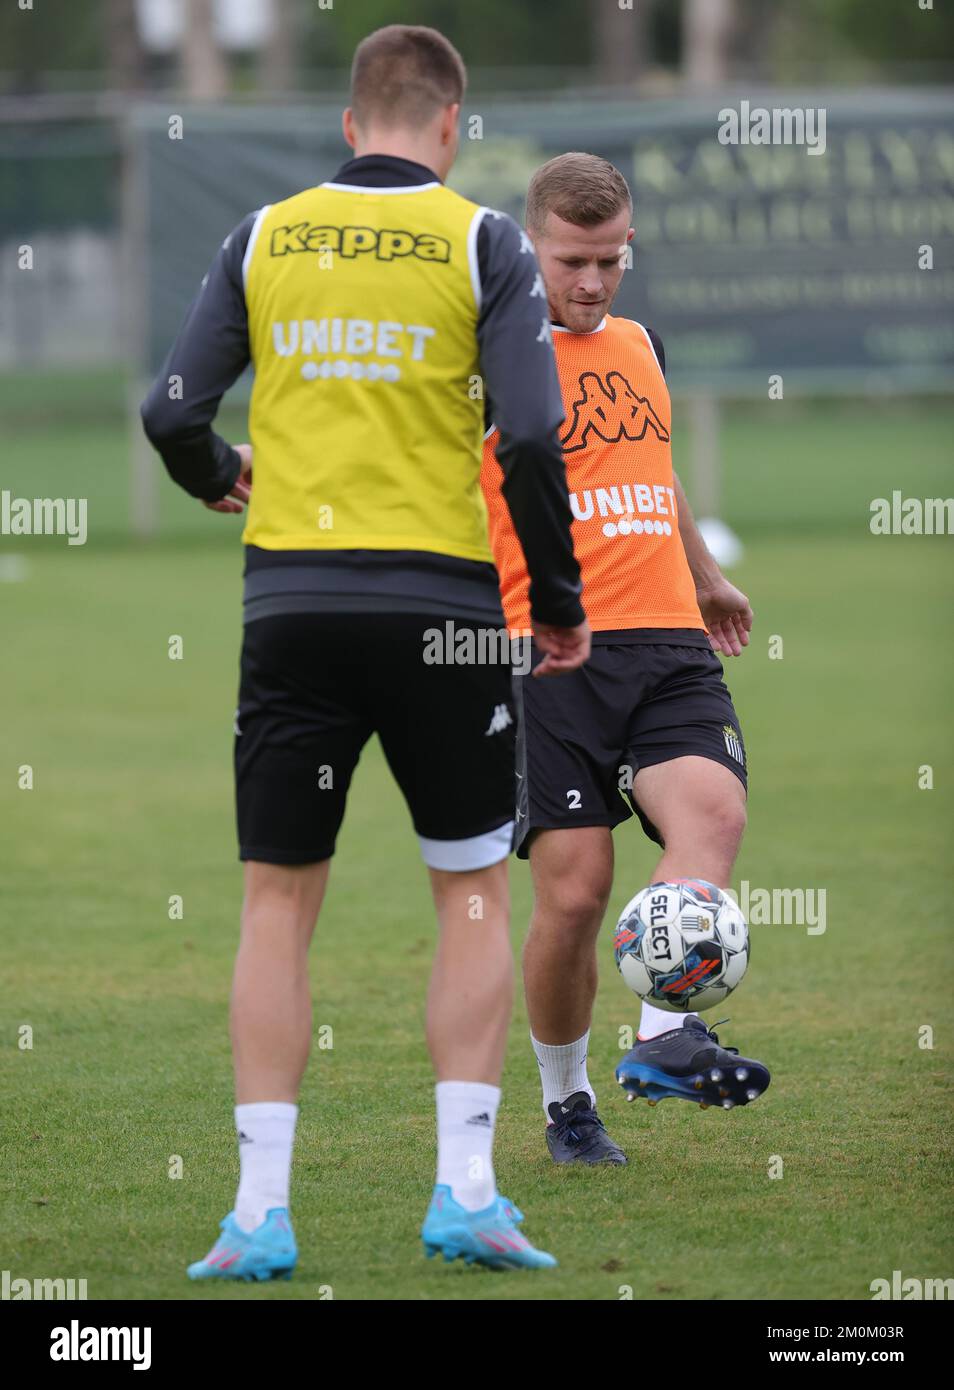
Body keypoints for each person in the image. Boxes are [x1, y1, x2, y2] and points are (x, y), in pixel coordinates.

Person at [141, 26, 590, 1278]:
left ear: (350, 127)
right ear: (451, 127)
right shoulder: (483, 239)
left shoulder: (264, 234)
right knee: (470, 894)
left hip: (291, 605)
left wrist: (217, 470)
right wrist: (554, 601)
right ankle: (464, 1192)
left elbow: (171, 408)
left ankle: (257, 1213)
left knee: (276, 904)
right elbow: (534, 441)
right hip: (444, 612)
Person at [480, 153, 769, 1167]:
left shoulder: (640, 343)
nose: (593, 282)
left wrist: (705, 574)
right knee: (575, 892)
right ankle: (567, 1104)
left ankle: (660, 1034)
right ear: (532, 248)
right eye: (572, 261)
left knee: (715, 812)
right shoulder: (493, 357)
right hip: (550, 651)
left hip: (668, 638)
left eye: (611, 259)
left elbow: (652, 465)